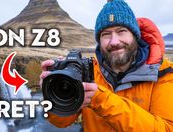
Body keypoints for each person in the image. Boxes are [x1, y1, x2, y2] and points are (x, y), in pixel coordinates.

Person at [40, 0, 173, 131]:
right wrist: (53, 92)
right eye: (106, 34)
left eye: (121, 31)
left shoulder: (164, 73)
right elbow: (61, 122)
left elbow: (166, 129)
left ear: (135, 35)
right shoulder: (89, 70)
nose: (114, 41)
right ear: (99, 41)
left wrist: (100, 99)